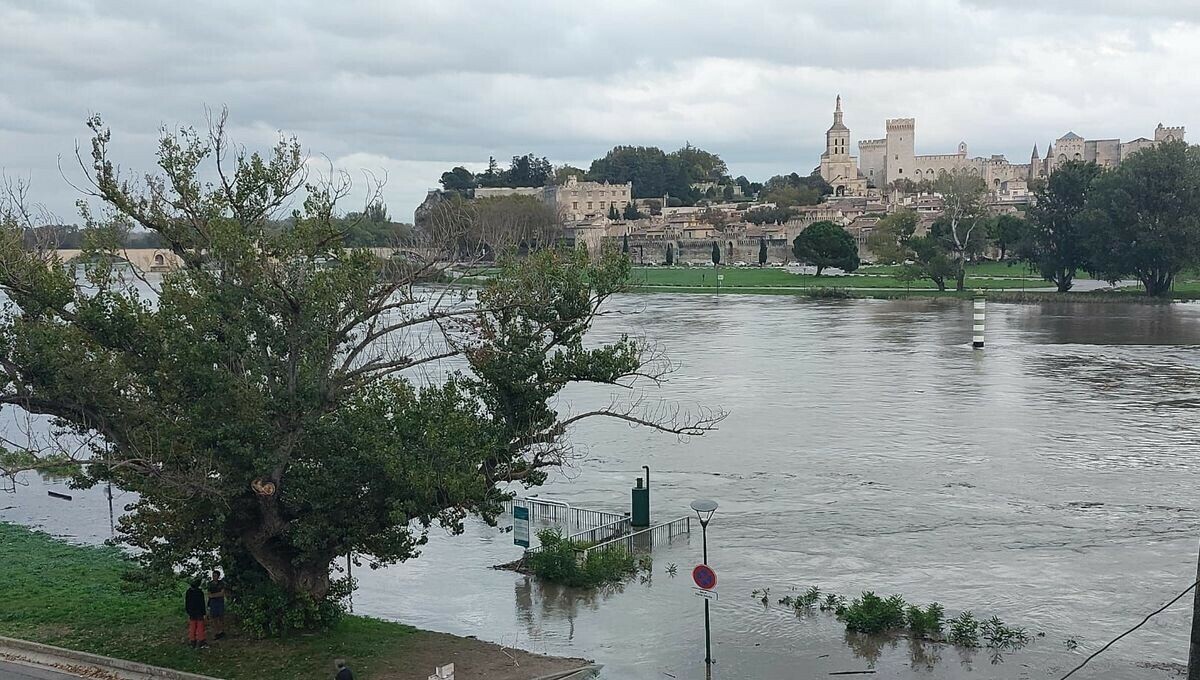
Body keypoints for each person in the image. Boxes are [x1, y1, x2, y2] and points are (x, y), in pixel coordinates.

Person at [184, 579, 207, 647]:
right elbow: (202, 603)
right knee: (200, 626)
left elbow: (187, 602)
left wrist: (188, 610)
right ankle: (201, 640)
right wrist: (204, 612)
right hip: (199, 611)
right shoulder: (200, 592)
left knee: (192, 626)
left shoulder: (188, 592)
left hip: (191, 611)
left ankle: (192, 640)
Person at [207, 569, 227, 640]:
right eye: (213, 575)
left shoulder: (222, 583)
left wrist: (214, 595)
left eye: (215, 575)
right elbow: (209, 595)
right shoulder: (210, 584)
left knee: (221, 617)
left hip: (220, 602)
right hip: (213, 603)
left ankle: (221, 631)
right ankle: (217, 632)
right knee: (214, 617)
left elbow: (222, 593)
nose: (214, 577)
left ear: (218, 576)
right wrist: (217, 595)